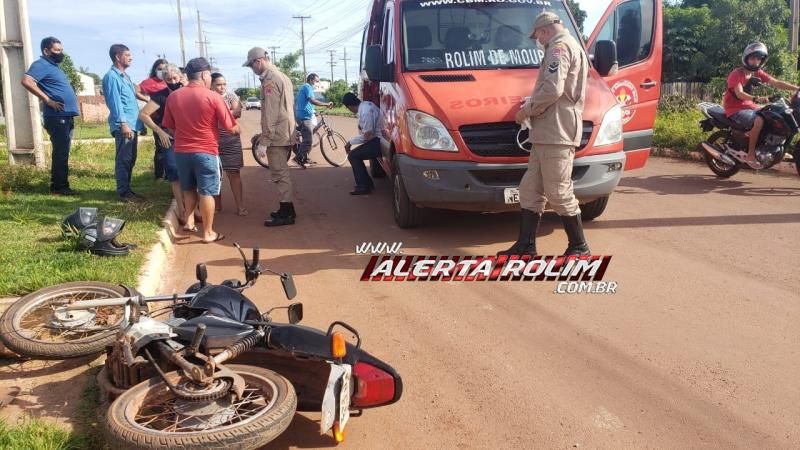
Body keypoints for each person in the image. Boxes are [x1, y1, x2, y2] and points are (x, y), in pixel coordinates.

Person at [500, 12, 590, 257]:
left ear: (545, 30)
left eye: (537, 34)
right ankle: (526, 245)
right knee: (530, 190)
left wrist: (526, 111)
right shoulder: (567, 45)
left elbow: (552, 89)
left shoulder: (558, 48)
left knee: (559, 192)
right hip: (547, 131)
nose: (537, 39)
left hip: (557, 130)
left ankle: (579, 247)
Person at [161, 57, 240, 243]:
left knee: (188, 189)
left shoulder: (173, 96)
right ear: (204, 74)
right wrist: (238, 130)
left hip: (181, 151)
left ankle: (188, 222)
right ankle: (208, 232)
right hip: (205, 151)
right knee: (207, 191)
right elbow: (230, 127)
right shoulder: (213, 97)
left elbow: (170, 126)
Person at [243, 47, 297, 227]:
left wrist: (264, 141)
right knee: (281, 172)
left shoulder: (270, 80)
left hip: (277, 135)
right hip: (285, 131)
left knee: (280, 173)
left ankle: (287, 212)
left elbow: (271, 113)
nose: (252, 69)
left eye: (251, 66)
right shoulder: (283, 76)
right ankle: (286, 208)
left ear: (258, 61)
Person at [723, 42, 798, 169]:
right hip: (735, 109)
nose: (756, 61)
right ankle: (751, 154)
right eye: (753, 58)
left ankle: (772, 148)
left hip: (750, 106)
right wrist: (758, 98)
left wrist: (797, 88)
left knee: (777, 114)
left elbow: (776, 82)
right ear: (746, 58)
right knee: (759, 120)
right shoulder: (736, 74)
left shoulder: (757, 73)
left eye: (758, 59)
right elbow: (739, 94)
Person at [21, 36, 80, 196]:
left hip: (65, 115)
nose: (61, 53)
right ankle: (59, 187)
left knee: (63, 151)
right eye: (57, 50)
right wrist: (47, 100)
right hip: (56, 116)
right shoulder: (41, 64)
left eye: (61, 50)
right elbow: (26, 80)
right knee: (60, 151)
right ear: (46, 51)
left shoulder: (54, 66)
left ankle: (62, 185)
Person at [138, 64, 184, 219]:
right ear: (164, 79)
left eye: (175, 78)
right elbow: (144, 114)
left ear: (180, 77)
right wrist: (159, 132)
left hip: (187, 137)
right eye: (169, 78)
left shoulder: (187, 92)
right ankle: (182, 210)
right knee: (174, 172)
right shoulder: (160, 96)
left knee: (191, 174)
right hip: (169, 137)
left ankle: (194, 209)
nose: (172, 81)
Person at [102, 44, 145, 201]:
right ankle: (123, 191)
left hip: (133, 124)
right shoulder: (112, 77)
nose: (131, 57)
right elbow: (115, 103)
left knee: (131, 158)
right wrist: (123, 124)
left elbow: (131, 101)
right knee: (124, 158)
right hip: (124, 126)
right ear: (117, 57)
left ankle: (127, 188)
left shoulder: (125, 76)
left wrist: (140, 124)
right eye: (127, 55)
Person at [210, 72, 248, 216]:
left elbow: (237, 112)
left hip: (231, 139)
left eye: (224, 84)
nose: (222, 87)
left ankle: (240, 206)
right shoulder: (208, 97)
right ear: (211, 85)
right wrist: (227, 113)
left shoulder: (231, 96)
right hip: (213, 140)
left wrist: (218, 115)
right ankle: (218, 206)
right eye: (218, 84)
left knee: (234, 173)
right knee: (215, 174)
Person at [343, 92, 383, 195]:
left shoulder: (365, 112)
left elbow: (368, 135)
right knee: (356, 154)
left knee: (353, 156)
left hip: (379, 141)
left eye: (348, 108)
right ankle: (366, 183)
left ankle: (363, 186)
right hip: (378, 139)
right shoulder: (366, 105)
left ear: (349, 106)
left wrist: (350, 143)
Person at [295, 73, 332, 167]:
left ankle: (305, 158)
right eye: (316, 81)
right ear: (311, 80)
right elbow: (312, 101)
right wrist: (326, 104)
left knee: (309, 135)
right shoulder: (307, 87)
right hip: (304, 117)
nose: (317, 83)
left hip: (305, 115)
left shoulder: (307, 88)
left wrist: (313, 111)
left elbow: (308, 103)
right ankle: (298, 158)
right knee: (308, 140)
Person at [140, 58, 169, 179]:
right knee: (161, 147)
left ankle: (169, 174)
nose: (162, 71)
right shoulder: (149, 82)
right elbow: (136, 91)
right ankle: (158, 175)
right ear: (155, 69)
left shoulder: (169, 81)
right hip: (157, 118)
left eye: (164, 69)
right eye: (159, 69)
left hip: (170, 117)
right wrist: (147, 100)